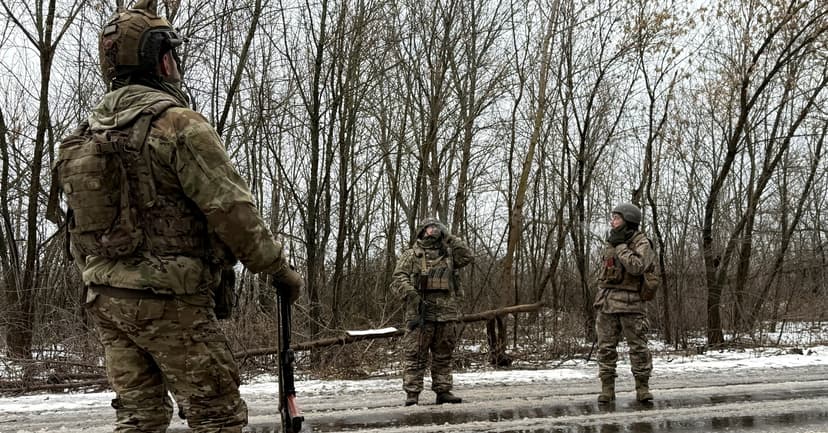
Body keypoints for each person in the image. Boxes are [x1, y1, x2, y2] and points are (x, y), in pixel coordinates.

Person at [51, 1, 303, 431]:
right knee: (217, 415)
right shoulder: (177, 124)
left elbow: (77, 233)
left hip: (106, 298)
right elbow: (232, 211)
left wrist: (102, 276)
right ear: (163, 58)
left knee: (139, 417)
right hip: (169, 297)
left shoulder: (84, 136)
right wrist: (278, 269)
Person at [391, 217, 474, 406]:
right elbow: (398, 278)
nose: (434, 231)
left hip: (446, 314)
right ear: (422, 231)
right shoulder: (412, 255)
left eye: (437, 228)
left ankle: (443, 390)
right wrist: (411, 294)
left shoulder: (449, 254)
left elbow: (468, 256)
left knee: (444, 355)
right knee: (415, 355)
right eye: (430, 228)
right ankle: (412, 394)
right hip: (420, 314)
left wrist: (450, 237)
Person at [593, 203, 656, 404]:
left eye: (617, 218)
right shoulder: (611, 241)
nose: (612, 221)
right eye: (613, 218)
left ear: (628, 220)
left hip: (632, 304)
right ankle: (607, 389)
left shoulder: (641, 242)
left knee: (638, 348)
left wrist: (621, 247)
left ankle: (642, 388)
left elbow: (636, 267)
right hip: (607, 303)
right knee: (605, 349)